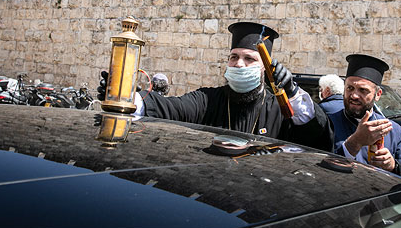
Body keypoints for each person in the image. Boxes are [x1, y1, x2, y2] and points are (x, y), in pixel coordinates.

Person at [98, 22, 334, 152]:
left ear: (266, 68)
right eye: (233, 57)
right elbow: (170, 107)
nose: (239, 64)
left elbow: (318, 140)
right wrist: (123, 95)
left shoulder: (278, 110)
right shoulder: (207, 100)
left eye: (250, 59)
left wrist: (292, 92)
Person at [327, 54, 401, 177]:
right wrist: (354, 143)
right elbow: (318, 169)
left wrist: (393, 166)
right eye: (350, 88)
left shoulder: (394, 131)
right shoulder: (327, 124)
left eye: (362, 90)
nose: (354, 95)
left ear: (377, 95)